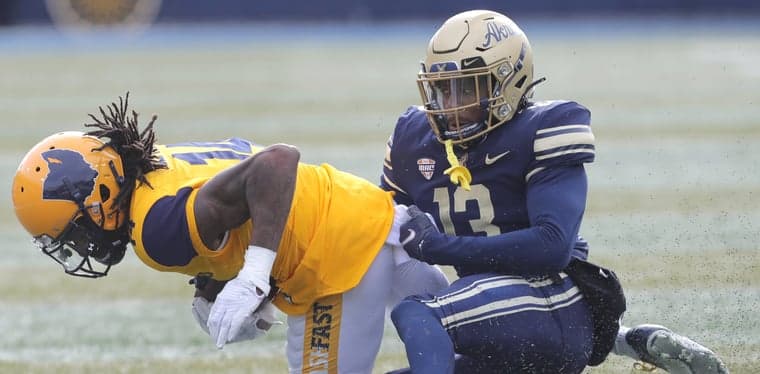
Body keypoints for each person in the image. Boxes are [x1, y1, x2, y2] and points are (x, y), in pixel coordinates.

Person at [381, 9, 729, 374]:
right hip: (498, 319)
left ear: (508, 81)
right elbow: (384, 226)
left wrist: (438, 247)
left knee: (418, 312)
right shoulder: (414, 138)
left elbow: (552, 245)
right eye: (442, 89)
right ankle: (625, 340)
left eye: (467, 88)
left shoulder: (546, 127)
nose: (451, 105)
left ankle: (613, 336)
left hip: (553, 296)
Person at [11, 94, 449, 374]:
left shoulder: (156, 231)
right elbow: (225, 204)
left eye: (74, 233)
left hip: (337, 255)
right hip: (371, 212)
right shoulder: (154, 164)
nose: (79, 248)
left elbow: (276, 163)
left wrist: (253, 275)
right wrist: (213, 280)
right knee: (473, 349)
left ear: (100, 196)